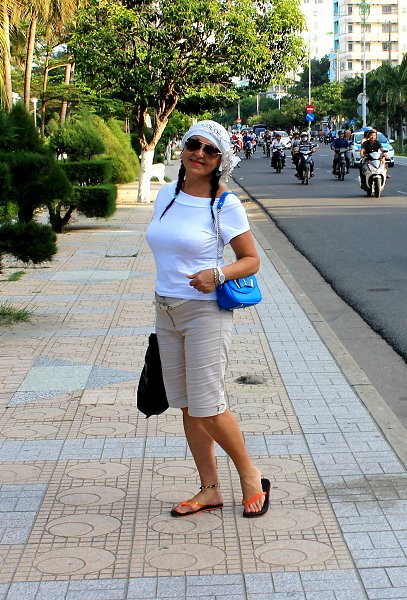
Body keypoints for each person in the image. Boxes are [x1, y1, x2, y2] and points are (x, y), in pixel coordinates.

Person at [146, 120, 271, 518]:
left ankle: (250, 474)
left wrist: (216, 274)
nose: (199, 153)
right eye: (193, 144)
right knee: (187, 405)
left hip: (204, 314)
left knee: (208, 405)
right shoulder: (166, 194)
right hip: (166, 310)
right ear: (183, 148)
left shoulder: (224, 204)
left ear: (221, 160)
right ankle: (210, 489)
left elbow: (251, 260)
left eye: (210, 150)